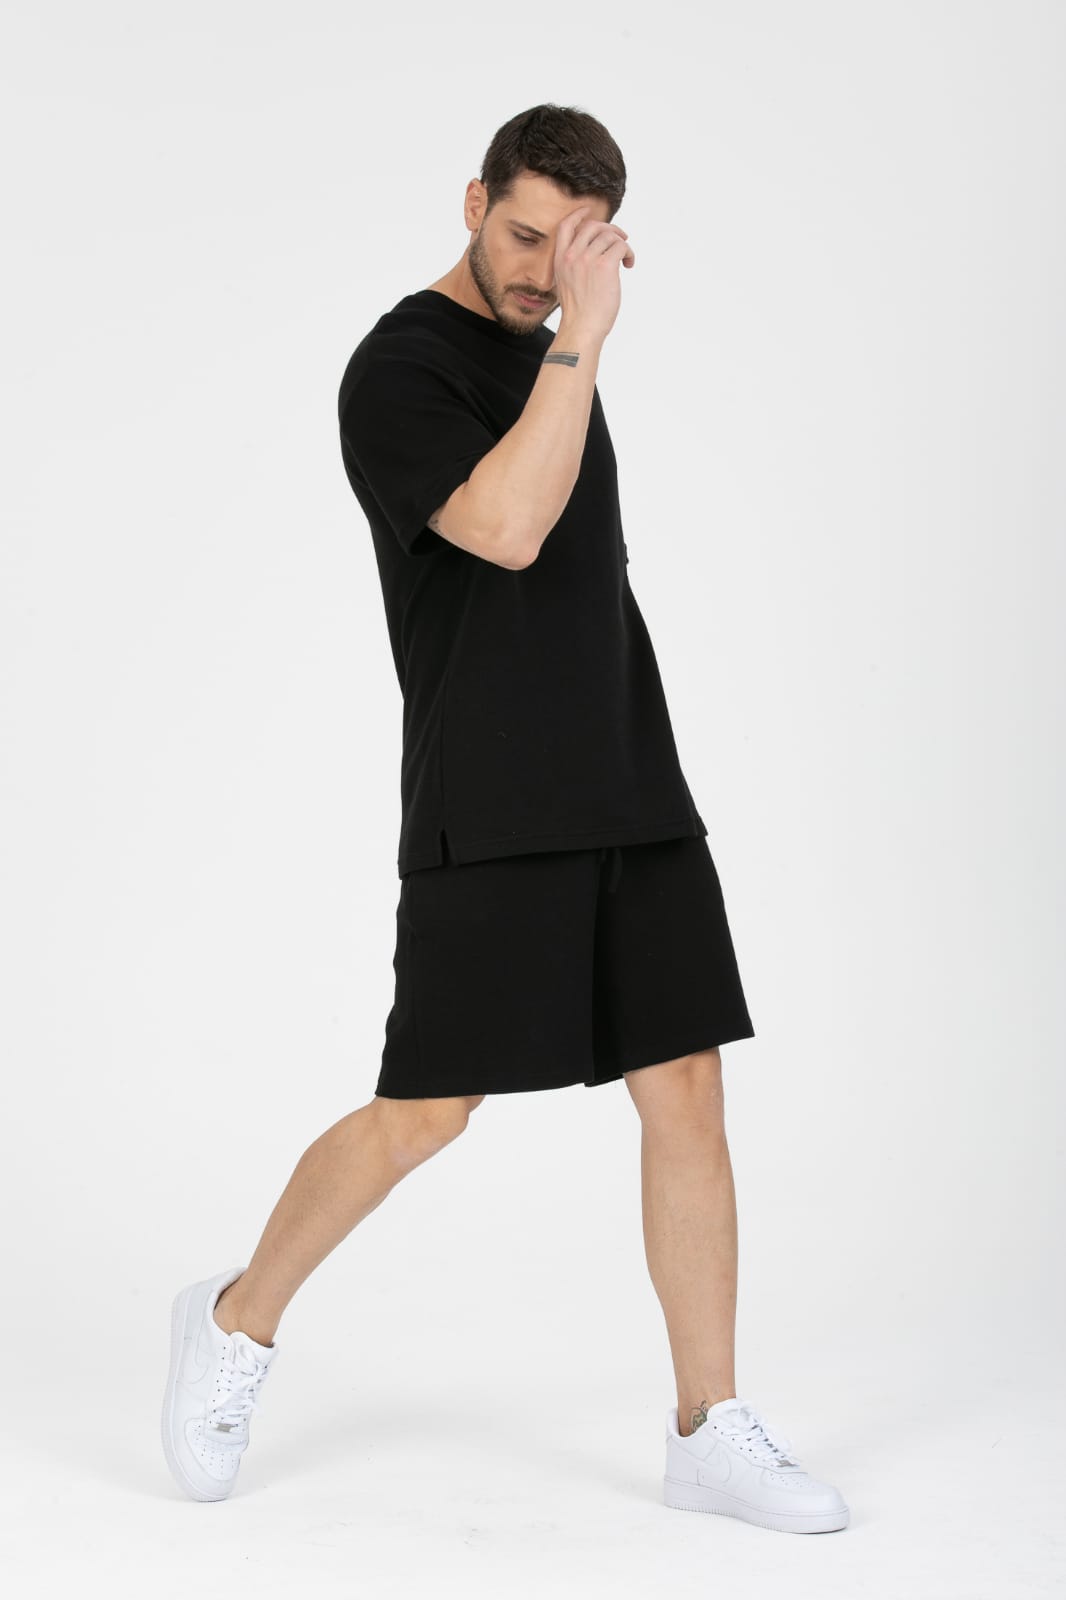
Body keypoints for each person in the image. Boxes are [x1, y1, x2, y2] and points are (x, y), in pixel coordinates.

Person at [161, 103, 850, 1535]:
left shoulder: (552, 351)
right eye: (523, 235)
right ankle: (231, 1320)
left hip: (628, 774)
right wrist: (583, 339)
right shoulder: (400, 369)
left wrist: (568, 342)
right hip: (486, 795)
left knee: (686, 1086)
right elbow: (508, 530)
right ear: (474, 201)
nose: (542, 271)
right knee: (428, 1108)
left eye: (571, 246)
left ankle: (706, 1426)